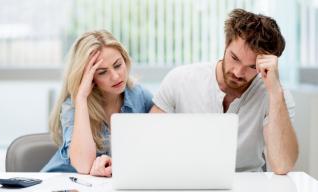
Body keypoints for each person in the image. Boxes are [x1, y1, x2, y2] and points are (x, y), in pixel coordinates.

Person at [150, 9, 298, 174]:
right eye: (234, 58)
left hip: (247, 187)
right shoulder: (179, 79)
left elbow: (282, 165)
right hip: (187, 179)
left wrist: (275, 92)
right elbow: (151, 143)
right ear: (226, 43)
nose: (238, 72)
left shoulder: (276, 95)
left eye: (251, 67)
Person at [42, 30, 153, 176]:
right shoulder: (73, 105)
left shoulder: (139, 95)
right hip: (62, 183)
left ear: (125, 60)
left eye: (118, 65)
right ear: (88, 77)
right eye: (102, 72)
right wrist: (81, 98)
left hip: (105, 189)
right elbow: (83, 166)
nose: (115, 76)